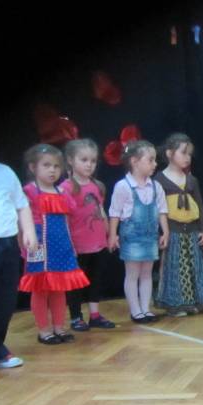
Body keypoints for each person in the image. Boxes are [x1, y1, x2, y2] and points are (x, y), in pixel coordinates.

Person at [19, 144, 90, 344]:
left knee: (59, 288)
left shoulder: (62, 192)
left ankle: (59, 327)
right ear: (33, 167)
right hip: (39, 247)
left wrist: (71, 245)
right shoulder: (29, 191)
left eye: (56, 166)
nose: (52, 170)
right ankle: (44, 330)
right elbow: (22, 221)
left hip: (61, 246)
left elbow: (66, 221)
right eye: (47, 165)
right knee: (40, 289)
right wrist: (24, 245)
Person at [0, 129, 37, 378]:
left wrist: (29, 231)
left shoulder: (4, 172)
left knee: (3, 301)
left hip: (7, 244)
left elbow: (21, 204)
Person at [108, 140, 170, 323]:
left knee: (147, 273)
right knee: (132, 274)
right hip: (132, 238)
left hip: (150, 237)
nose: (155, 164)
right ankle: (135, 311)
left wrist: (165, 232)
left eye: (155, 160)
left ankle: (146, 309)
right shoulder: (123, 186)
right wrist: (113, 234)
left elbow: (162, 210)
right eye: (150, 160)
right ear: (134, 161)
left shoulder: (156, 186)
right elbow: (115, 213)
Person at [60, 139, 116, 331]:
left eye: (92, 161)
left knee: (96, 279)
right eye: (84, 160)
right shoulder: (66, 188)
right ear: (70, 160)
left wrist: (110, 235)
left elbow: (101, 211)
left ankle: (95, 315)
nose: (89, 165)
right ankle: (76, 317)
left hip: (98, 243)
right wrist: (69, 245)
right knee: (75, 282)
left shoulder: (97, 186)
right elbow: (64, 219)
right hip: (78, 245)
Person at [155, 133, 203, 316]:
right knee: (175, 268)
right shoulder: (159, 180)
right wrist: (162, 232)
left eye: (189, 154)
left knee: (193, 266)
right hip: (173, 230)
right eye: (183, 153)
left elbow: (200, 206)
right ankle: (176, 304)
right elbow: (158, 210)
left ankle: (193, 302)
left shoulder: (192, 180)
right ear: (170, 153)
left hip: (192, 230)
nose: (187, 157)